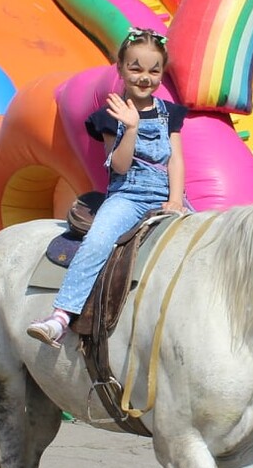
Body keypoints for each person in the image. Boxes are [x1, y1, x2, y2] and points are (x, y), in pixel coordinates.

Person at [28, 29, 185, 345]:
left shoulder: (171, 114)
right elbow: (120, 166)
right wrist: (130, 128)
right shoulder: (109, 115)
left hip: (165, 196)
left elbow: (176, 160)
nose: (145, 77)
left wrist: (176, 200)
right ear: (121, 69)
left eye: (154, 71)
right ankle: (62, 315)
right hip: (128, 196)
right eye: (136, 68)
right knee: (97, 241)